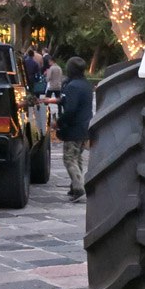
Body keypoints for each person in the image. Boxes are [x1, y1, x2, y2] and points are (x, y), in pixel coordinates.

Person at [55, 56, 92, 202]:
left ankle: (78, 187)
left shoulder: (72, 86)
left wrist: (59, 122)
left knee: (69, 158)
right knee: (78, 157)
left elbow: (70, 110)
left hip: (73, 127)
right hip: (85, 126)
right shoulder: (86, 85)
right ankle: (75, 186)